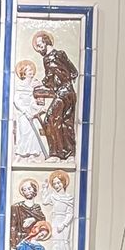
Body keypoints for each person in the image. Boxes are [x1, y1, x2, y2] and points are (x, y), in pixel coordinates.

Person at [33, 31, 78, 160]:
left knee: (50, 119)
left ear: (46, 42)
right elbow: (74, 72)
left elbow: (50, 77)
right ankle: (70, 154)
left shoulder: (48, 58)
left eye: (39, 44)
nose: (38, 48)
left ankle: (56, 154)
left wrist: (40, 84)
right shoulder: (62, 54)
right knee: (66, 122)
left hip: (62, 93)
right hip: (70, 93)